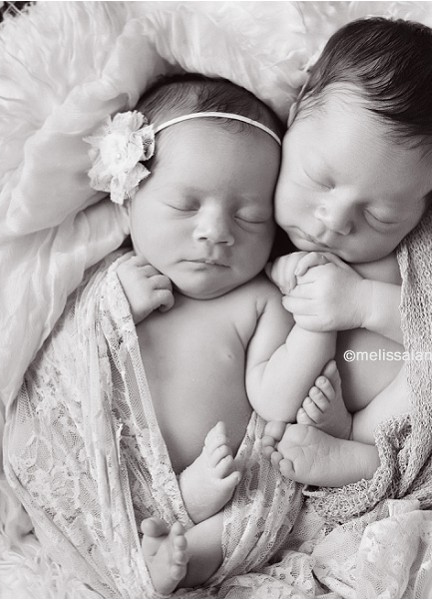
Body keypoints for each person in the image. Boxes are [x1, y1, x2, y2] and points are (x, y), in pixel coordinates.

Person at [87, 74, 335, 593]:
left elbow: (274, 396)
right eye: (185, 205)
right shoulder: (116, 278)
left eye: (249, 217)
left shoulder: (260, 299)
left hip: (225, 487)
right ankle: (162, 525)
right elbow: (67, 368)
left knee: (267, 501)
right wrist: (112, 309)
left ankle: (188, 555)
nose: (216, 231)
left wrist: (318, 319)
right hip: (110, 477)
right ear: (128, 201)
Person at [261, 17, 432, 488]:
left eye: (381, 215)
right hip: (292, 406)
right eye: (319, 181)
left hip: (395, 420)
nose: (335, 221)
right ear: (295, 111)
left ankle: (368, 460)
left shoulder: (424, 251)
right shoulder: (255, 200)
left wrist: (361, 301)